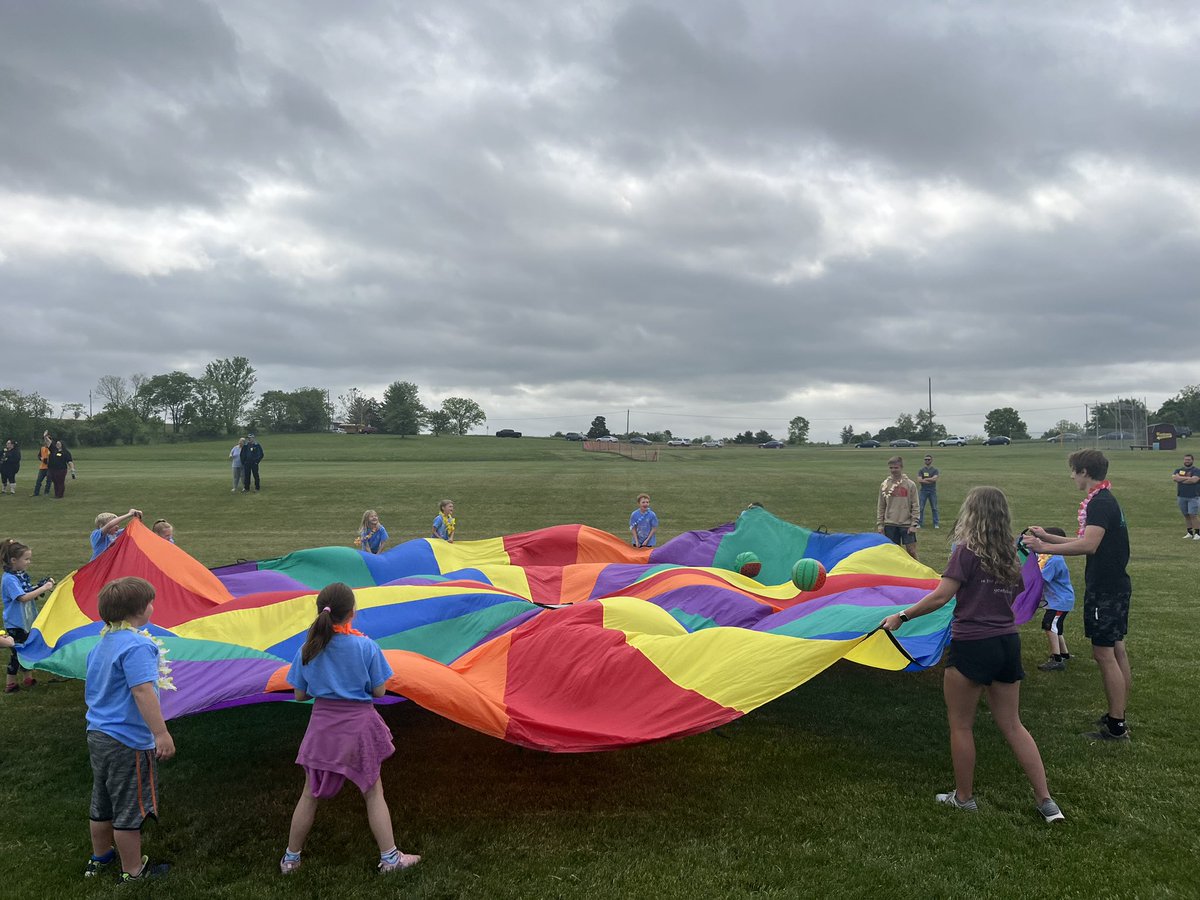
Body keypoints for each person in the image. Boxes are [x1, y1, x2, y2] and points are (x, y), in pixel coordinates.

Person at [881, 487, 1065, 823]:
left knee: (961, 726)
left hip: (972, 644)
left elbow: (941, 597)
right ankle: (1047, 801)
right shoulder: (1013, 555)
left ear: (972, 513)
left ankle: (963, 798)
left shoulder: (966, 552)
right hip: (1007, 644)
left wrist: (901, 616)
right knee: (1013, 724)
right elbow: (1014, 598)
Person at [280, 582, 420, 875]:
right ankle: (390, 858)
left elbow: (300, 695)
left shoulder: (308, 648)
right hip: (358, 729)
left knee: (309, 795)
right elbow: (380, 691)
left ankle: (291, 859)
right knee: (373, 792)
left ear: (321, 612)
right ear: (352, 612)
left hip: (322, 730)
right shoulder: (366, 646)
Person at [1023, 450, 1132, 741]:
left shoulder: (1100, 504)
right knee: (1116, 648)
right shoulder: (1105, 500)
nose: (1071, 476)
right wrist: (1047, 536)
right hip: (1115, 585)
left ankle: (1117, 725)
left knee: (1104, 653)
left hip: (1106, 589)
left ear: (1084, 471)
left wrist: (1043, 548)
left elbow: (1089, 546)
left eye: (1073, 470)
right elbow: (1084, 539)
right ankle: (1118, 711)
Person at [83, 576, 174, 882]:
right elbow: (142, 691)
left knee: (103, 798)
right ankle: (133, 871)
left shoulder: (101, 644)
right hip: (127, 739)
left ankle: (101, 856)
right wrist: (160, 733)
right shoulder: (138, 645)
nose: (153, 606)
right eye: (151, 601)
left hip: (98, 734)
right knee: (128, 807)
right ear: (141, 610)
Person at [3, 539, 56, 693]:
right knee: (17, 653)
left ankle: (28, 678)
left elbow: (27, 591)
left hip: (26, 622)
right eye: (26, 559)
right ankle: (10, 684)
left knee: (27, 649)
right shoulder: (9, 579)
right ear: (14, 560)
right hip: (16, 624)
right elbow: (23, 598)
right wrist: (44, 588)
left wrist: (40, 586)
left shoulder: (19, 575)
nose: (28, 562)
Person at [1032, 527, 1075, 671]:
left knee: (1049, 625)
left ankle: (1056, 659)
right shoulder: (1048, 557)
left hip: (1060, 601)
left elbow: (1041, 578)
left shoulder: (1054, 560)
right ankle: (1064, 654)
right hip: (1058, 600)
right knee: (1057, 628)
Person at [876, 456, 920, 559]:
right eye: (891, 468)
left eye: (896, 468)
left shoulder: (910, 484)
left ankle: (917, 572)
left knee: (911, 551)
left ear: (901, 467)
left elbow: (915, 505)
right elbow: (881, 505)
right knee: (892, 553)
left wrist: (914, 524)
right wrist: (880, 525)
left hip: (906, 523)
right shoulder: (884, 485)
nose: (893, 470)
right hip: (890, 523)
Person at [1172, 452, 1200, 539]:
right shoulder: (1178, 470)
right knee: (1186, 515)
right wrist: (1188, 478)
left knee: (1193, 515)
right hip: (1181, 496)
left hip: (1193, 497)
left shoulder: (1196, 470)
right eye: (1185, 459)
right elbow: (1175, 478)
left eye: (1189, 460)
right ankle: (1189, 532)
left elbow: (1194, 480)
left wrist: (1181, 480)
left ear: (1192, 460)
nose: (1187, 461)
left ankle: (1197, 533)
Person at [916, 454, 939, 529]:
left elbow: (935, 479)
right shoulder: (921, 470)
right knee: (921, 508)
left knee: (934, 508)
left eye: (928, 459)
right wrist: (930, 479)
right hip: (923, 491)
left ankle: (936, 523)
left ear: (931, 460)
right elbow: (919, 480)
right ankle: (919, 523)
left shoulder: (935, 470)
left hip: (932, 491)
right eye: (926, 459)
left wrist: (925, 479)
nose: (927, 461)